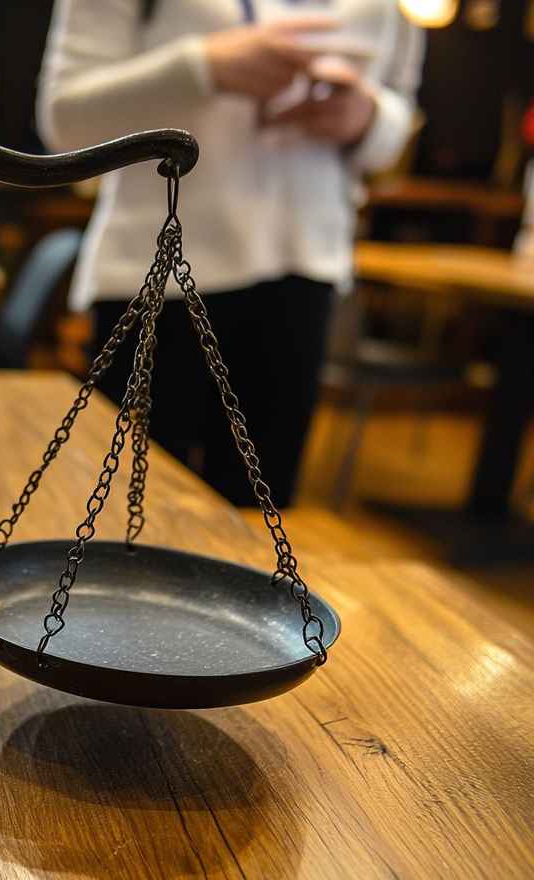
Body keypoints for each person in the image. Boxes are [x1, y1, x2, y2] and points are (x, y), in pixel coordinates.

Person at [38, 0, 423, 506]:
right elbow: (62, 118)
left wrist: (368, 118)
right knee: (123, 521)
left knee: (256, 532)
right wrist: (203, 67)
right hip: (157, 279)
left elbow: (397, 118)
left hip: (305, 271)